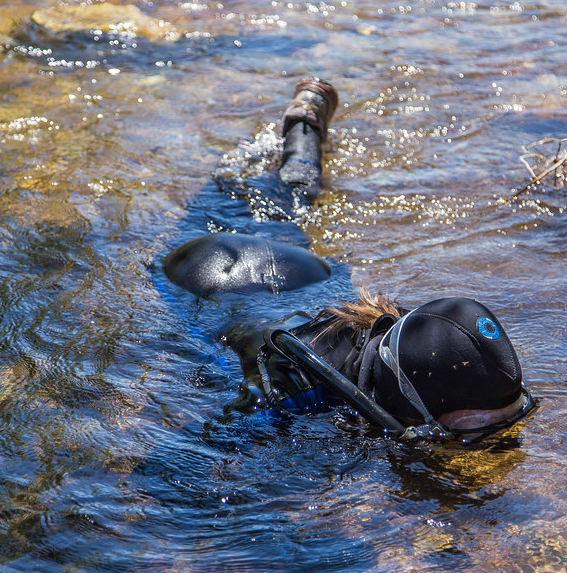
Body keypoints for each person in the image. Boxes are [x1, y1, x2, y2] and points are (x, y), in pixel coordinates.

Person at [164, 79, 535, 440]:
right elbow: (187, 465)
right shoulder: (287, 388)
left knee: (292, 207)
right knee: (235, 198)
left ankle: (304, 125)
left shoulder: (414, 349)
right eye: (474, 435)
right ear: (409, 407)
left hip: (306, 274)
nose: (500, 444)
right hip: (207, 270)